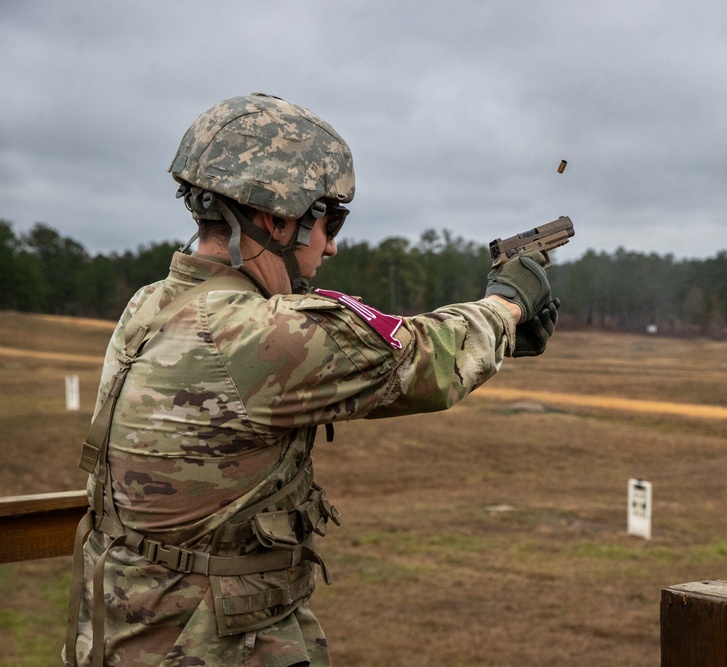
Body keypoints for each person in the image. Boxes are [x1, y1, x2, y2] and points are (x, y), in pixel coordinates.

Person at [64, 93, 559, 667]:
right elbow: (423, 358)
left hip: (132, 632)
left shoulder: (151, 305)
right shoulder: (250, 333)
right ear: (276, 219)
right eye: (329, 220)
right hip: (208, 644)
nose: (332, 243)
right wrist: (508, 304)